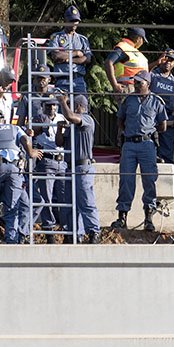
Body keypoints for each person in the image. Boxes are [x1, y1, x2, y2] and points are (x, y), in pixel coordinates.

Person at [0, 108, 41, 244]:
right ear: (3, 120)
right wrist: (31, 153)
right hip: (15, 169)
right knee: (12, 208)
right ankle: (11, 241)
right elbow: (26, 140)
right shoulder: (14, 128)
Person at [113, 71, 168, 231]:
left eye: (139, 82)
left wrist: (150, 132)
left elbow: (163, 125)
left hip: (147, 145)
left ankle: (149, 219)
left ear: (147, 83)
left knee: (149, 181)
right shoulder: (129, 100)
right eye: (135, 82)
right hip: (129, 144)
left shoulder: (157, 101)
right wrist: (125, 133)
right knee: (126, 181)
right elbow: (120, 120)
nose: (136, 85)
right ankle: (122, 217)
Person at [57, 93, 102, 243]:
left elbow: (70, 116)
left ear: (78, 106)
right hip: (70, 167)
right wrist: (59, 130)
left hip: (83, 168)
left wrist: (63, 103)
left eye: (71, 105)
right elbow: (59, 143)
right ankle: (74, 233)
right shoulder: (72, 126)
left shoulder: (87, 120)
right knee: (70, 204)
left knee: (85, 201)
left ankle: (94, 231)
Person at [28, 113, 66, 241]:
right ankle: (49, 230)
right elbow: (29, 134)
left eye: (53, 105)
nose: (51, 108)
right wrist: (36, 130)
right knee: (47, 198)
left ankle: (66, 229)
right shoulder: (39, 121)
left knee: (64, 196)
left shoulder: (62, 117)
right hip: (47, 160)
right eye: (48, 105)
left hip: (63, 161)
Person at [44, 5, 92, 93]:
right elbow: (56, 55)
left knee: (82, 104)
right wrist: (76, 53)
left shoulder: (82, 39)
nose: (74, 23)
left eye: (76, 21)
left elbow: (87, 59)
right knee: (62, 105)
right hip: (62, 81)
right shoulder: (56, 37)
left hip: (78, 80)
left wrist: (67, 59)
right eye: (71, 20)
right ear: (65, 20)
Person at [149, 49, 174, 163]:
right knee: (149, 153)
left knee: (166, 155)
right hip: (151, 119)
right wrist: (155, 63)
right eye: (166, 58)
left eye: (172, 60)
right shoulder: (152, 75)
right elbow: (141, 74)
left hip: (168, 121)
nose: (168, 62)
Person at [104, 27, 148, 94]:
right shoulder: (123, 47)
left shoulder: (134, 51)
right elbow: (108, 62)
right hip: (127, 88)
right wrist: (115, 85)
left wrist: (157, 63)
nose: (142, 43)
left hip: (138, 88)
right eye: (143, 40)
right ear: (138, 39)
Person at [16, 64, 54, 129]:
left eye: (43, 78)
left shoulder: (55, 95)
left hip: (52, 131)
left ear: (49, 80)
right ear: (34, 79)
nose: (41, 81)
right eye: (38, 78)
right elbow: (21, 120)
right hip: (34, 133)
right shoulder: (27, 96)